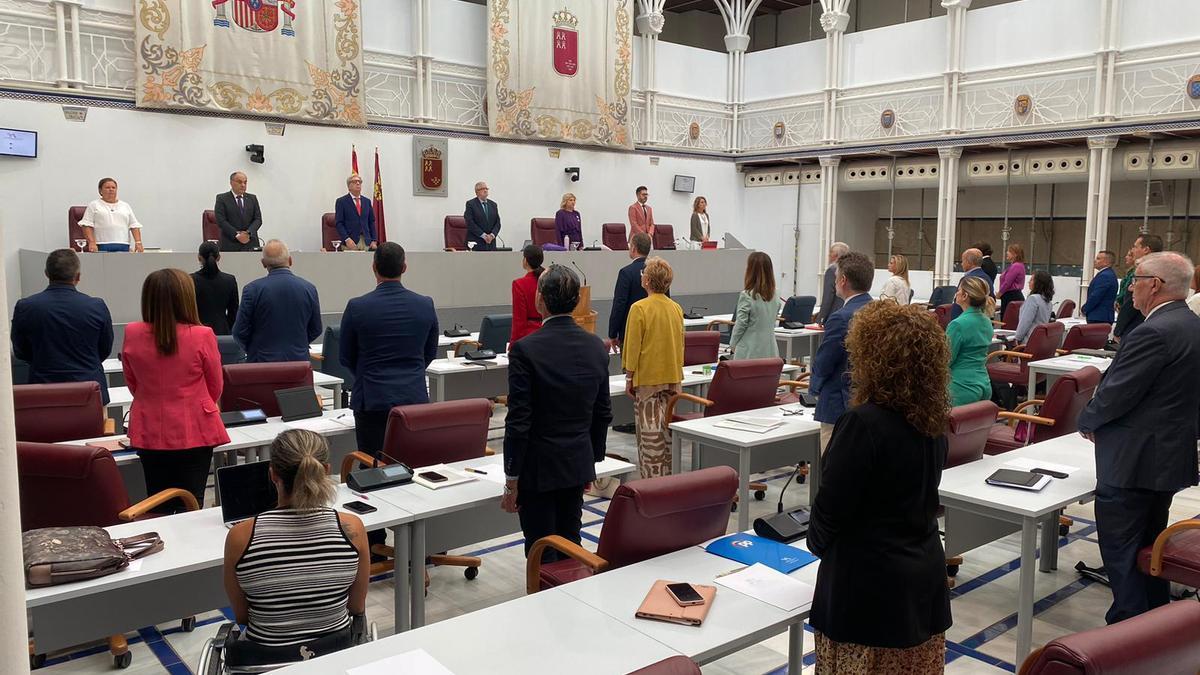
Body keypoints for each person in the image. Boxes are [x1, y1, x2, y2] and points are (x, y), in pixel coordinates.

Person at [808, 301, 952, 675]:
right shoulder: (933, 421)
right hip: (922, 579)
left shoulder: (862, 424)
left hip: (868, 593)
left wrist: (821, 547)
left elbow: (830, 510)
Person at [1078, 251, 1200, 624]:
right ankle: (1154, 625)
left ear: (1156, 285)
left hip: (1132, 462)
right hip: (1166, 457)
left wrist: (1086, 420)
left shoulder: (1152, 332)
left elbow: (1117, 393)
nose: (1129, 287)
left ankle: (1127, 627)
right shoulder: (1192, 325)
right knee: (1150, 549)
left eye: (1136, 279)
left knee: (1121, 551)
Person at [502, 266, 612, 560]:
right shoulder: (596, 346)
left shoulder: (525, 350)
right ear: (577, 301)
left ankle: (544, 601)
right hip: (576, 462)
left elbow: (518, 421)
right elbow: (602, 413)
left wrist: (511, 478)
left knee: (541, 549)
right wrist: (591, 459)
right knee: (571, 543)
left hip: (538, 467)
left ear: (540, 300)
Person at [223, 430, 369, 649]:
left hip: (264, 660)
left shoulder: (240, 537)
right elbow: (356, 607)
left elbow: (243, 618)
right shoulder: (352, 529)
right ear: (326, 471)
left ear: (272, 475)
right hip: (334, 656)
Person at [121, 268, 229, 508]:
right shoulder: (202, 334)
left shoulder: (132, 332)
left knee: (155, 500)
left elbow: (132, 382)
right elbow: (215, 387)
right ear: (187, 298)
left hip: (149, 426)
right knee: (191, 502)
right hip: (194, 428)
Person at [339, 243, 438, 455]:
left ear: (373, 267)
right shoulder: (425, 304)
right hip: (414, 397)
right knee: (412, 462)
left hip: (372, 400)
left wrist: (366, 375)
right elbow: (429, 352)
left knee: (374, 469)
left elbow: (346, 356)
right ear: (404, 268)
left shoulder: (357, 306)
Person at [12, 249, 114, 403]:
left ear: (46, 273)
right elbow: (105, 349)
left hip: (42, 393)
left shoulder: (25, 307)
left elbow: (21, 351)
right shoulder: (97, 306)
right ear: (78, 276)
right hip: (89, 393)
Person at [622, 257, 684, 478]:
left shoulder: (639, 308)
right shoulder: (676, 308)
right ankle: (668, 478)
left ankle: (652, 481)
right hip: (672, 377)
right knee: (667, 433)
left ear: (647, 280)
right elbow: (680, 343)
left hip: (647, 378)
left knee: (649, 437)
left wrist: (629, 377)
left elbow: (632, 347)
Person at [810, 251, 874, 450]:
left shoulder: (841, 317)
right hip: (868, 400)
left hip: (839, 402)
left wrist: (814, 389)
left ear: (843, 280)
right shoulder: (878, 309)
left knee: (832, 464)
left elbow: (825, 361)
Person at [233, 240, 322, 363]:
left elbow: (239, 331)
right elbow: (316, 329)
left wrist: (254, 349)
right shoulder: (309, 288)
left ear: (263, 263)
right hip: (299, 363)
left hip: (262, 364)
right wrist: (298, 345)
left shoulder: (252, 290)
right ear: (290, 261)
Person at [946, 276, 994, 406]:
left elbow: (946, 359)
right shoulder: (986, 321)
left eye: (959, 289)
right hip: (983, 384)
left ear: (965, 295)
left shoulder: (957, 325)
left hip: (960, 387)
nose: (956, 293)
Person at [729, 252, 781, 360]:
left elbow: (741, 324)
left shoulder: (747, 295)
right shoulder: (776, 295)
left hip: (749, 350)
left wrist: (733, 344)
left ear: (750, 271)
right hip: (770, 350)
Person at [1113, 234, 1163, 341]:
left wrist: (1119, 329)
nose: (1133, 250)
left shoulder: (1145, 271)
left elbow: (1131, 304)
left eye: (1135, 247)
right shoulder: (1162, 269)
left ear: (1146, 249)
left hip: (1135, 325)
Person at [607, 232, 652, 346]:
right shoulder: (657, 271)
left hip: (631, 331)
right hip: (653, 329)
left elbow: (619, 304)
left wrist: (613, 333)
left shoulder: (626, 273)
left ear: (633, 248)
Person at [79, 177, 143, 253]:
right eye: (107, 187)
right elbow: (86, 225)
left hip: (123, 245)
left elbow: (134, 225)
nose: (111, 189)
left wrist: (138, 242)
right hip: (101, 245)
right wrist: (91, 242)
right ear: (100, 190)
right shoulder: (94, 205)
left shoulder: (125, 206)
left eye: (113, 188)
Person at [191, 241, 239, 335]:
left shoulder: (190, 280)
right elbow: (234, 312)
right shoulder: (230, 280)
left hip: (197, 330)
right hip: (222, 331)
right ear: (219, 257)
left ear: (199, 258)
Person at [214, 171, 263, 252]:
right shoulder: (222, 198)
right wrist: (237, 235)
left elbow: (258, 219)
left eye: (245, 182)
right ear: (231, 183)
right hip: (231, 242)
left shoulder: (252, 198)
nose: (243, 185)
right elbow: (221, 221)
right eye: (239, 182)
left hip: (250, 242)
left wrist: (248, 233)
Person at [511, 244, 544, 344]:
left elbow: (519, 320)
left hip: (529, 336)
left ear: (525, 260)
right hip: (550, 332)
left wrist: (513, 345)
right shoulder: (549, 279)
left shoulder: (519, 284)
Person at [333, 174, 377, 251]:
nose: (358, 183)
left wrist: (374, 240)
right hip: (350, 242)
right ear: (349, 186)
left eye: (359, 182)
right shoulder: (341, 202)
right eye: (355, 182)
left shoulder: (367, 201)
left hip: (367, 242)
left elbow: (371, 222)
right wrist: (347, 239)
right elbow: (339, 223)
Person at [949, 247, 993, 320]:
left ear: (968, 262)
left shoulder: (968, 280)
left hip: (963, 319)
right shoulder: (987, 278)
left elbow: (959, 303)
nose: (962, 264)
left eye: (963, 261)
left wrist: (954, 320)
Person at [1014, 270, 1053, 345]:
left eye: (1031, 280)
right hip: (1041, 341)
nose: (1029, 282)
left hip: (1028, 341)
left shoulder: (1033, 299)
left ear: (1038, 283)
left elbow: (1025, 322)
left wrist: (1017, 338)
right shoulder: (1048, 301)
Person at [1081, 250, 1118, 324]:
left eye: (1098, 259)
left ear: (1106, 262)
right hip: (1102, 316)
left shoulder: (1105, 276)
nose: (1095, 261)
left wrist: (1085, 309)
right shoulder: (1108, 274)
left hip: (1099, 317)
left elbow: (1096, 296)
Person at [816, 242, 849, 323]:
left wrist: (820, 319)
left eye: (830, 253)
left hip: (834, 316)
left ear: (835, 255)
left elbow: (828, 297)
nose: (828, 256)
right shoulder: (850, 269)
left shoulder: (832, 270)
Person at [464, 181, 501, 251]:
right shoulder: (470, 204)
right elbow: (470, 222)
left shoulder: (493, 205)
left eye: (486, 188)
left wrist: (492, 235)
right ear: (477, 192)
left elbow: (497, 223)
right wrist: (484, 236)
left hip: (491, 244)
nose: (485, 190)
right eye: (483, 188)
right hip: (476, 242)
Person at [996, 243, 1026, 316]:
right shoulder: (1017, 265)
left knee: (1007, 318)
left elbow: (1007, 283)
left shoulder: (1016, 266)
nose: (1007, 253)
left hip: (1011, 296)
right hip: (1011, 295)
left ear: (1015, 254)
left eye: (1009, 251)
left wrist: (999, 293)